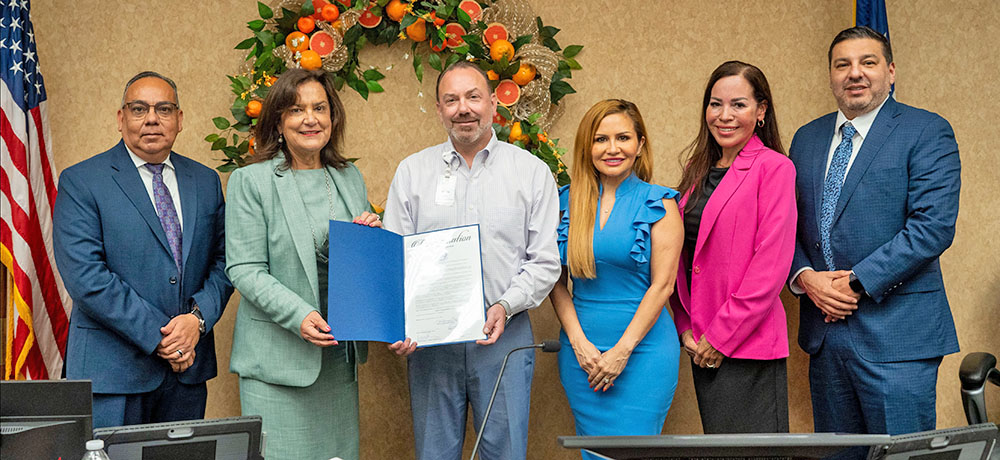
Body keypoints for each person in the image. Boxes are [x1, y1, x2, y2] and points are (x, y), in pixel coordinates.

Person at [789, 26, 961, 448]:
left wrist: (854, 282)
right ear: (831, 75)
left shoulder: (926, 130)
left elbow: (932, 227)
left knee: (899, 454)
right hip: (825, 336)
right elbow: (785, 226)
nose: (855, 73)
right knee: (838, 455)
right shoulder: (806, 139)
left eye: (868, 62)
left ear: (891, 71)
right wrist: (806, 278)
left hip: (898, 336)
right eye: (842, 64)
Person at [382, 60, 561, 460]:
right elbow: (394, 260)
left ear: (493, 103)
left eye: (473, 97)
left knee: (505, 453)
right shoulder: (412, 172)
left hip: (504, 334)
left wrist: (505, 305)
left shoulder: (531, 172)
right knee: (434, 453)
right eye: (451, 100)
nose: (463, 108)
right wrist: (398, 322)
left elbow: (545, 261)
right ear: (439, 110)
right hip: (430, 343)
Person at [53, 71, 233, 428]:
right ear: (121, 119)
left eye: (163, 109)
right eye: (139, 109)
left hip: (186, 372)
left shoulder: (205, 181)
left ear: (179, 119)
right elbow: (87, 278)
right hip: (113, 373)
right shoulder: (82, 181)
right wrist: (162, 336)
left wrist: (196, 321)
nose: (152, 118)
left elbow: (226, 260)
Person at [224, 68, 381, 460]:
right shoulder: (250, 181)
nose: (310, 119)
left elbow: (359, 264)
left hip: (337, 359)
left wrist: (371, 237)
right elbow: (244, 268)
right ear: (278, 122)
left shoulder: (349, 177)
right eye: (296, 110)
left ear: (332, 117)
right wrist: (299, 315)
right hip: (277, 363)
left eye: (319, 108)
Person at [549, 99, 683, 457]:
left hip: (644, 355)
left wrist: (622, 352)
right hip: (581, 357)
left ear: (640, 144)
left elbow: (663, 286)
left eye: (623, 137)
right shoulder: (565, 202)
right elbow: (554, 282)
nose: (612, 148)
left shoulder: (660, 203)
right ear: (587, 146)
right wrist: (578, 343)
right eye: (600, 139)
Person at [668, 61, 796, 433]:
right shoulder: (696, 169)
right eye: (715, 104)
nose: (724, 116)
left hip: (748, 346)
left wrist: (721, 337)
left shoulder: (775, 168)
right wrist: (685, 327)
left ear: (761, 111)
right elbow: (683, 256)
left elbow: (769, 268)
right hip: (700, 343)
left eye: (738, 104)